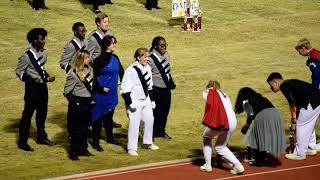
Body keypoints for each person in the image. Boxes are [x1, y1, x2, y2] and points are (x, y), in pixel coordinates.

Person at [15, 28, 56, 151]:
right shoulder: (26, 56)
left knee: (42, 113)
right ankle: (22, 141)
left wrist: (47, 76)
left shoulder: (44, 52)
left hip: (43, 87)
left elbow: (41, 69)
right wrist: (31, 80)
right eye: (41, 39)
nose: (44, 41)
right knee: (28, 114)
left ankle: (41, 137)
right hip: (32, 88)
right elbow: (19, 72)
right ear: (34, 40)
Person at [267, 72, 320, 160]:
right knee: (308, 124)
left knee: (302, 126)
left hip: (311, 103)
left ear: (275, 83)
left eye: (271, 85)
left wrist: (294, 119)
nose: (271, 88)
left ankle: (300, 153)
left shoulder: (284, 86)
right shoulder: (290, 82)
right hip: (317, 100)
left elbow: (292, 103)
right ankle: (311, 147)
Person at [200, 80, 244, 174]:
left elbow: (207, 99)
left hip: (222, 121)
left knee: (206, 137)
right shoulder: (225, 95)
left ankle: (207, 165)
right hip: (232, 122)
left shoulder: (209, 91)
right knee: (220, 146)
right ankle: (238, 166)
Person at [121, 48, 159, 156]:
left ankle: (148, 142)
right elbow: (125, 89)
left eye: (148, 56)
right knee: (134, 124)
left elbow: (150, 86)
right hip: (135, 101)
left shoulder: (148, 68)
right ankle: (131, 148)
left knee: (149, 120)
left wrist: (152, 100)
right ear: (138, 57)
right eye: (145, 56)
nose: (148, 59)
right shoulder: (131, 70)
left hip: (146, 99)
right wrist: (129, 103)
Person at [234, 87, 286, 166]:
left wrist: (246, 126)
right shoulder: (261, 98)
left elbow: (251, 115)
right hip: (276, 118)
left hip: (264, 118)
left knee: (255, 138)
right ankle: (263, 157)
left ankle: (259, 160)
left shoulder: (246, 102)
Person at [87, 12, 122, 128]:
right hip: (99, 70)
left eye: (108, 21)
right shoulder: (92, 38)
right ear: (98, 23)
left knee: (110, 97)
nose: (107, 24)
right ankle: (94, 122)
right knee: (98, 98)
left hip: (109, 67)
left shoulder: (110, 33)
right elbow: (88, 55)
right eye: (104, 22)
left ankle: (109, 120)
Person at [91, 35, 123, 151]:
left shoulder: (115, 58)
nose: (114, 45)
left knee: (109, 117)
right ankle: (95, 142)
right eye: (112, 43)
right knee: (98, 118)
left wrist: (123, 85)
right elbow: (91, 78)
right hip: (101, 93)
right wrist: (100, 88)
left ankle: (110, 138)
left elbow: (122, 72)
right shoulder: (98, 60)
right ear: (106, 45)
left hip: (112, 93)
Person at [63, 50, 95, 160]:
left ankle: (83, 149)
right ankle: (73, 151)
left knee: (85, 128)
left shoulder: (89, 70)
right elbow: (67, 92)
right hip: (78, 103)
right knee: (76, 129)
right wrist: (76, 103)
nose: (89, 60)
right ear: (81, 59)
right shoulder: (73, 73)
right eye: (87, 58)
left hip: (88, 102)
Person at [149, 36, 176, 139]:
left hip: (166, 88)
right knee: (155, 112)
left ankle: (161, 131)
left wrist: (170, 82)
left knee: (165, 110)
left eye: (165, 45)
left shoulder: (166, 54)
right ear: (155, 46)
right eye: (161, 45)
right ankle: (151, 133)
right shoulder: (150, 59)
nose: (164, 47)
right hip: (156, 88)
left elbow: (167, 71)